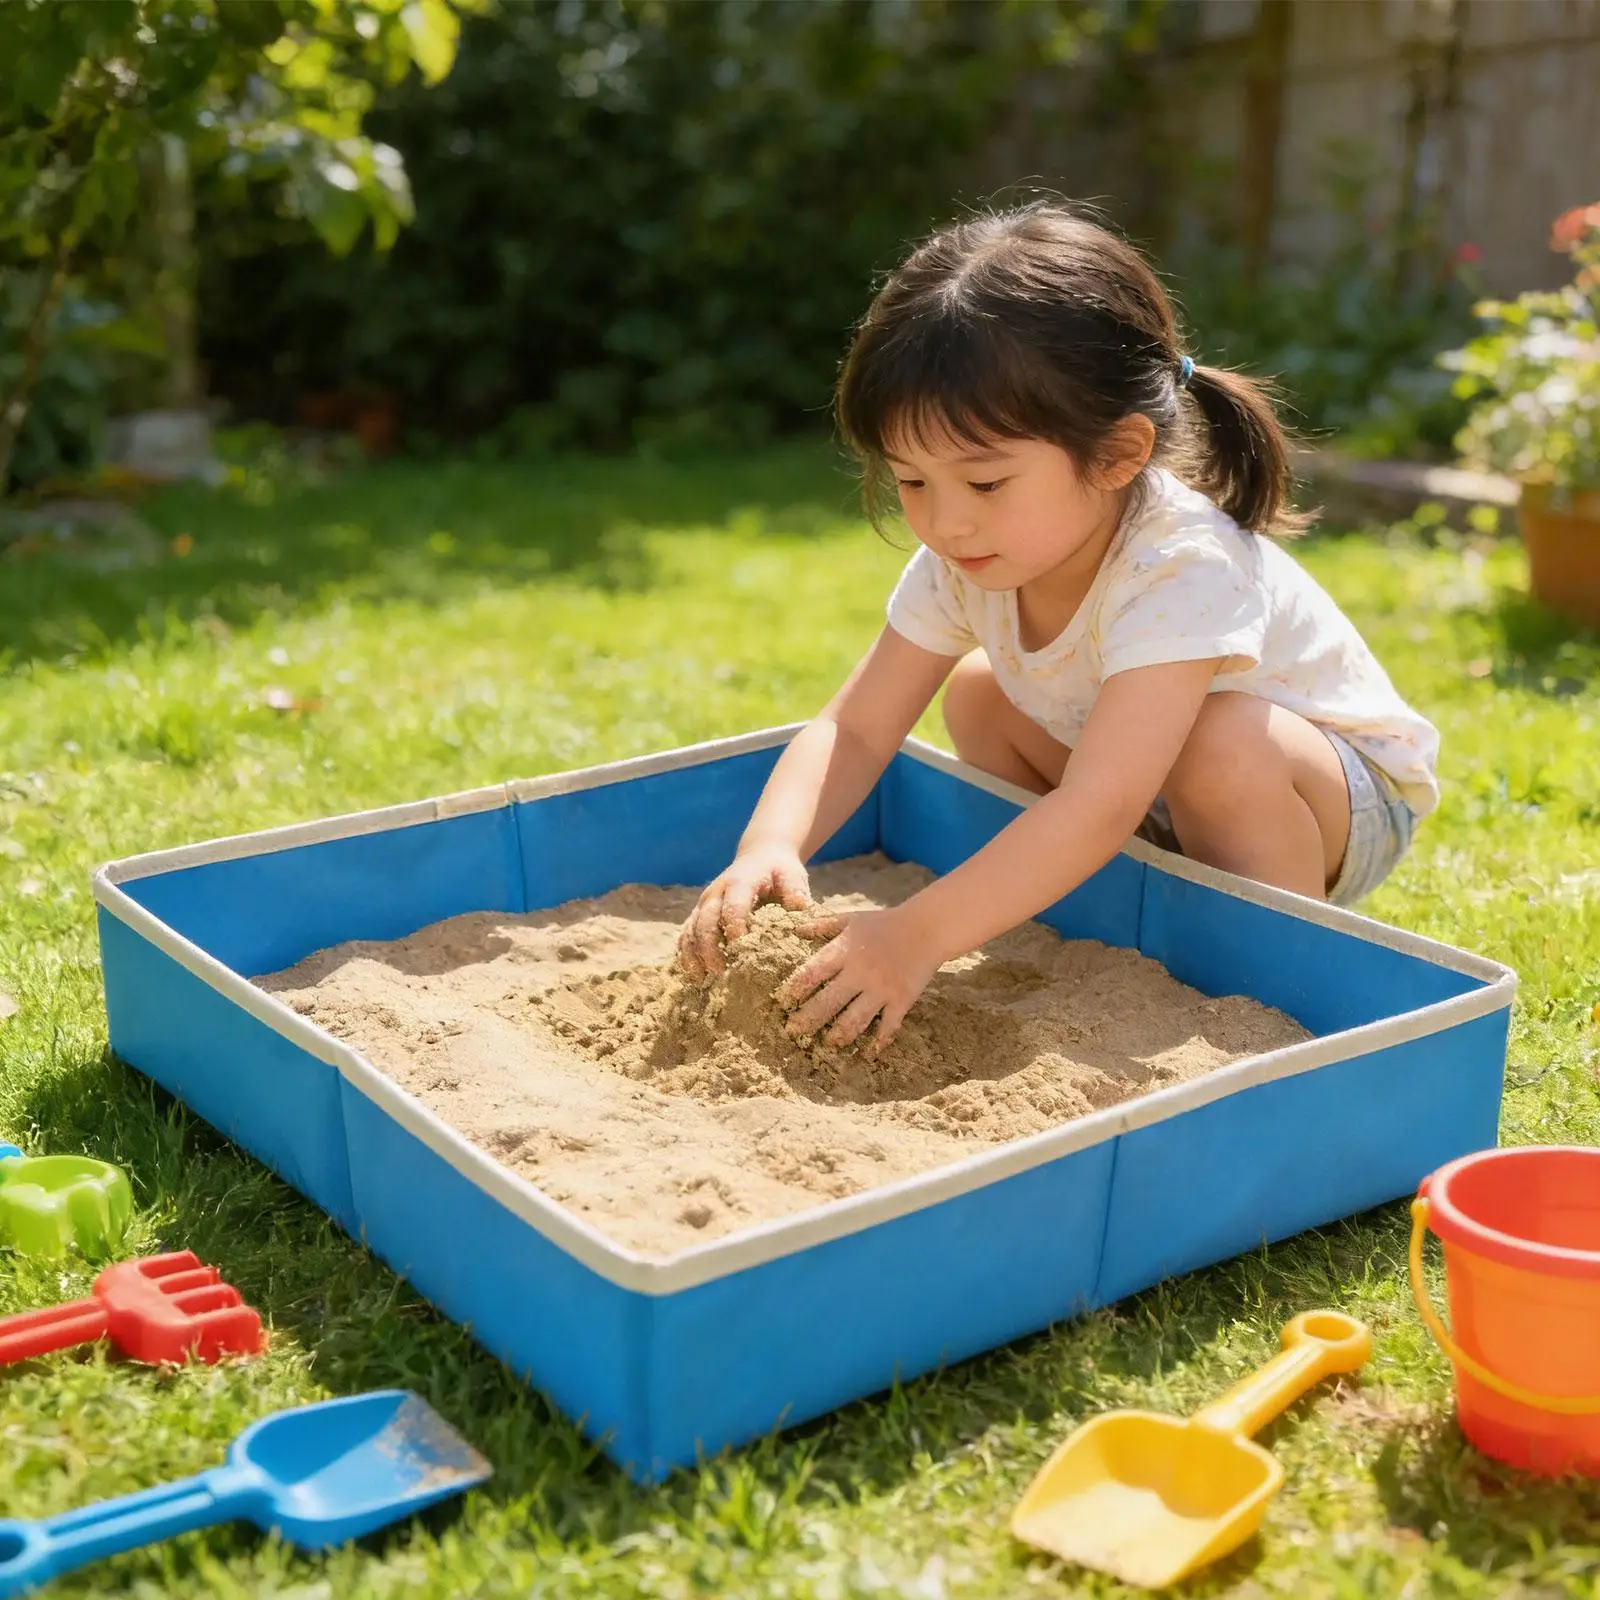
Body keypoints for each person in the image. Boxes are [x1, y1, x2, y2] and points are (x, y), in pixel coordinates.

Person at [677, 201, 1439, 1053]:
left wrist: (916, 935)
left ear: (1115, 456)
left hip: (1327, 802)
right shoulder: (970, 556)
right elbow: (854, 728)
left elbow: (1104, 799)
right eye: (912, 482)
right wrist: (769, 845)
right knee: (977, 697)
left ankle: (1279, 981)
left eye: (985, 484)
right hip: (1143, 787)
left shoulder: (1181, 561)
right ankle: (1094, 903)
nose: (946, 523)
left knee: (1217, 742)